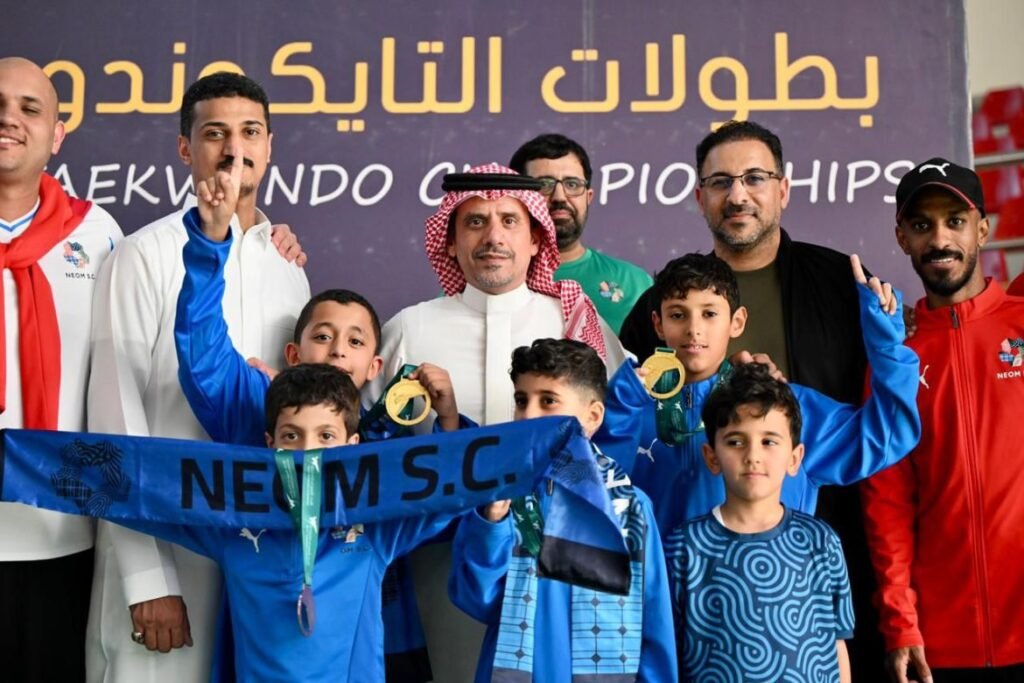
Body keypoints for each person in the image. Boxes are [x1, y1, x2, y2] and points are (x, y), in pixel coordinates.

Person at [617, 120, 884, 679]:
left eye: (755, 178)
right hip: (680, 581)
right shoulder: (655, 305)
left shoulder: (843, 284)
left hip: (812, 558)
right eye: (721, 182)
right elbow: (626, 444)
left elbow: (878, 433)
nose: (737, 194)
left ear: (783, 189)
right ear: (700, 197)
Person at [174, 169, 464, 680]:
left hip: (381, 635)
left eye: (355, 342)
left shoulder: (390, 433)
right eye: (323, 337)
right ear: (294, 353)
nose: (337, 352)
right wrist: (210, 243)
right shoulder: (256, 406)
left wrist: (448, 421)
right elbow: (202, 355)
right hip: (267, 644)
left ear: (374, 365)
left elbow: (453, 500)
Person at [86, 72, 308, 682]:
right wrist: (146, 577)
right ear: (186, 148)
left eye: (250, 132)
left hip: (263, 563)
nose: (235, 149)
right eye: (215, 134)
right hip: (169, 550)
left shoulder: (289, 267)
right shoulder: (144, 253)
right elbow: (114, 416)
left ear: (269, 146)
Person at [368, 164, 629, 682]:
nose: (493, 237)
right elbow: (367, 443)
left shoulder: (575, 322)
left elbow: (618, 432)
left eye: (510, 221)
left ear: (536, 239)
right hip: (436, 567)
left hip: (558, 570)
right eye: (475, 222)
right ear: (449, 241)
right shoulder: (409, 328)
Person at [596, 251, 920, 538]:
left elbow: (887, 435)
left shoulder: (783, 407)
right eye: (678, 314)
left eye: (709, 313)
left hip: (769, 585)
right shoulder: (629, 408)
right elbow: (595, 498)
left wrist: (886, 346)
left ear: (737, 321)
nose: (694, 329)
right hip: (663, 589)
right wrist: (620, 411)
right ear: (658, 324)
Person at [862, 158, 1024, 683]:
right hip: (942, 648)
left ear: (983, 230)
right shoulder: (894, 359)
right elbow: (887, 506)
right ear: (902, 238)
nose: (939, 239)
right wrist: (901, 624)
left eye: (955, 221)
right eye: (921, 224)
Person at [449, 338, 676, 682]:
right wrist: (491, 525)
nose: (529, 415)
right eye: (521, 401)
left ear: (592, 416)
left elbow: (654, 619)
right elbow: (477, 601)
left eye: (548, 401)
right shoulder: (502, 499)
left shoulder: (629, 507)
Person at [0, 55, 123, 682]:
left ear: (57, 134)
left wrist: (263, 235)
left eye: (30, 108)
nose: (10, 119)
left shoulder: (98, 234)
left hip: (60, 533)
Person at [666, 363, 854, 683]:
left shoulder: (821, 542)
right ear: (711, 456)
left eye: (769, 441)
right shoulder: (683, 547)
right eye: (735, 441)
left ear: (794, 458)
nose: (753, 455)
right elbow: (667, 651)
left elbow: (837, 643)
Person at [509, 133, 652, 333]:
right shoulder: (493, 280)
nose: (560, 197)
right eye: (544, 185)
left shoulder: (634, 283)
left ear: (588, 197)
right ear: (516, 199)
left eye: (572, 184)